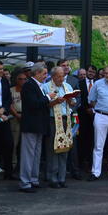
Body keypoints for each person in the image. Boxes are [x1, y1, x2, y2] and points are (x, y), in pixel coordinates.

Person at [19, 63, 52, 193]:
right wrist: (48, 97)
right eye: (44, 73)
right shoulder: (29, 85)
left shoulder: (38, 86)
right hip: (31, 125)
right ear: (37, 73)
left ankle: (33, 178)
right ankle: (25, 182)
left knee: (36, 154)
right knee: (28, 154)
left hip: (38, 125)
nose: (46, 76)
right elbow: (33, 104)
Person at [42, 66, 76, 188]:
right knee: (53, 149)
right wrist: (55, 101)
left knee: (64, 148)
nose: (62, 78)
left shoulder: (67, 86)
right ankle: (52, 178)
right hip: (53, 120)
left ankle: (62, 178)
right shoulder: (46, 87)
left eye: (63, 76)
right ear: (53, 76)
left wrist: (70, 101)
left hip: (65, 119)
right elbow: (43, 105)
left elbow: (73, 102)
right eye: (59, 76)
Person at [9, 70, 26, 174]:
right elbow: (9, 104)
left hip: (26, 117)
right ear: (16, 80)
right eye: (20, 79)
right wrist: (16, 114)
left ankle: (22, 167)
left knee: (24, 144)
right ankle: (13, 165)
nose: (22, 81)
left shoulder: (28, 90)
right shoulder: (11, 90)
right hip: (14, 117)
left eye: (25, 79)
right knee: (14, 143)